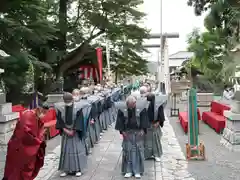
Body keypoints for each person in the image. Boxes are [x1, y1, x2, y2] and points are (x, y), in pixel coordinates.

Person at [3, 103, 49, 180]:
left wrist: (41, 137)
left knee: (28, 170)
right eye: (43, 112)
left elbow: (38, 131)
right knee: (16, 171)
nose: (44, 115)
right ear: (38, 109)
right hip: (20, 148)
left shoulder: (37, 117)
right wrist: (38, 141)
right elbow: (25, 134)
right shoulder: (28, 115)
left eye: (46, 113)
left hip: (30, 149)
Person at [115, 95, 149, 178]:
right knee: (127, 151)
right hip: (127, 132)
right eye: (129, 105)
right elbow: (120, 120)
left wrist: (143, 130)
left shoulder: (142, 108)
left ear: (135, 103)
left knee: (138, 151)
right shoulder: (122, 109)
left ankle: (137, 171)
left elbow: (144, 119)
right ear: (127, 104)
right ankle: (128, 170)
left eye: (133, 104)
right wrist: (122, 131)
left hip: (138, 132)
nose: (131, 107)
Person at [55, 92, 87, 177]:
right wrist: (65, 129)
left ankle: (78, 169)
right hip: (66, 132)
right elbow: (59, 121)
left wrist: (73, 130)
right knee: (66, 151)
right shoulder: (60, 108)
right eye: (66, 101)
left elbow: (79, 120)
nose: (67, 102)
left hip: (75, 132)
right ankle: (66, 169)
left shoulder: (78, 108)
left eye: (69, 101)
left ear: (72, 100)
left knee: (76, 150)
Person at [143, 84, 165, 162]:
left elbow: (161, 115)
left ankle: (157, 155)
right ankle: (147, 154)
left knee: (156, 140)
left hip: (155, 124)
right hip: (147, 125)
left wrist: (158, 122)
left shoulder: (158, 104)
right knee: (147, 141)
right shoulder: (144, 104)